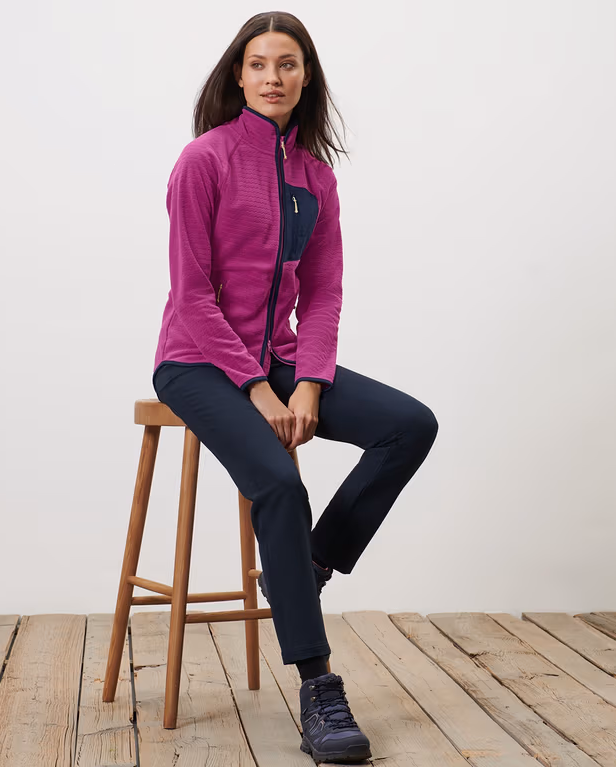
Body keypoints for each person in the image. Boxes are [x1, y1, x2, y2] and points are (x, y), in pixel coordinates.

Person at [151, 11, 438, 764]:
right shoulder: (203, 161)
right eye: (258, 64)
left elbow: (325, 292)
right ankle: (318, 688)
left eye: (287, 63)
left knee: (410, 425)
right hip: (195, 362)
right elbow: (192, 297)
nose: (272, 76)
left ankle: (306, 567)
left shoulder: (315, 176)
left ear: (306, 77)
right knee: (279, 483)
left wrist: (307, 381)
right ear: (238, 75)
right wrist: (257, 389)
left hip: (279, 358)